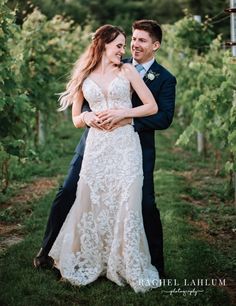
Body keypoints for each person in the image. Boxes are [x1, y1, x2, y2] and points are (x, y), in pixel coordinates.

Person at [34, 20, 176, 281]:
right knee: (69, 192)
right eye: (131, 40)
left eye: (141, 40)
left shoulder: (162, 78)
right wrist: (88, 117)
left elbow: (163, 116)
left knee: (143, 203)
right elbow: (83, 109)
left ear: (155, 45)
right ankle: (48, 250)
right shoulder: (99, 70)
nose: (133, 45)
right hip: (94, 143)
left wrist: (126, 117)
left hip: (133, 145)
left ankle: (153, 263)